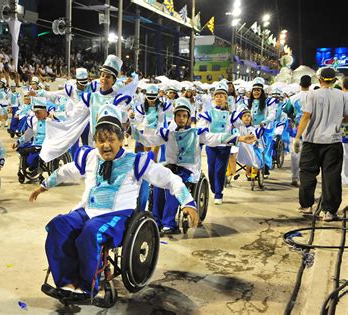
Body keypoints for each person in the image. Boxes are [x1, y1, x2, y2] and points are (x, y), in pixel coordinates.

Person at [29, 105, 199, 298]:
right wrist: (44, 185)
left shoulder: (136, 161)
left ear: (121, 140)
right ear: (95, 141)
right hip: (87, 210)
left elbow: (169, 178)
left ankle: (87, 287)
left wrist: (188, 202)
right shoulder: (90, 157)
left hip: (117, 215)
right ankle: (67, 281)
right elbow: (66, 171)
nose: (106, 145)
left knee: (91, 232)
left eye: (111, 139)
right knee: (58, 226)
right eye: (101, 140)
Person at [136, 98, 256, 233]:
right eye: (178, 115)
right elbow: (149, 139)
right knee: (158, 184)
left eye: (184, 116)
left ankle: (168, 223)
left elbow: (216, 138)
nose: (181, 119)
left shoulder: (197, 133)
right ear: (174, 117)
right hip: (170, 167)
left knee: (172, 186)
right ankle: (156, 220)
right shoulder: (168, 133)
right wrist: (134, 133)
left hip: (188, 170)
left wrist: (240, 138)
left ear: (189, 118)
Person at [293, 67, 348, 221]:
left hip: (312, 141)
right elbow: (346, 117)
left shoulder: (311, 94)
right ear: (335, 80)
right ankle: (329, 211)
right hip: (333, 141)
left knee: (307, 173)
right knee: (331, 175)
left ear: (319, 79)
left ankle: (306, 206)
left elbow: (306, 116)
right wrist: (336, 121)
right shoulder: (343, 96)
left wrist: (297, 137)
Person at [288, 75, 311, 187]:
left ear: (300, 84)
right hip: (311, 130)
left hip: (296, 130)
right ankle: (305, 178)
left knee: (295, 155)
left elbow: (287, 111)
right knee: (308, 156)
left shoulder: (293, 98)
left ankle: (294, 177)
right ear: (310, 84)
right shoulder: (314, 97)